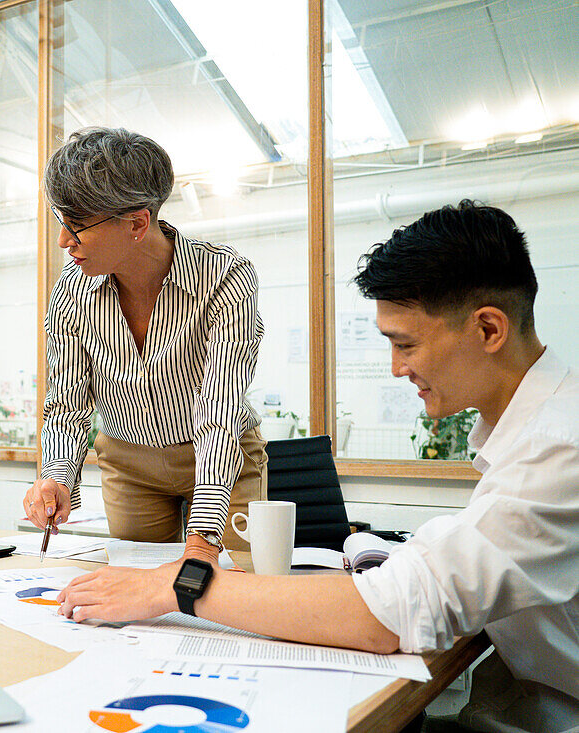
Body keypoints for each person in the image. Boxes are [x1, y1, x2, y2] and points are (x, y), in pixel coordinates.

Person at [56, 200, 579, 732]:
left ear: (489, 330)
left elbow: (392, 615)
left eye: (406, 344)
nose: (397, 369)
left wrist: (182, 586)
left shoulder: (558, 447)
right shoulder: (536, 429)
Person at [23, 127, 267, 563]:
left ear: (137, 222)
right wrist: (57, 476)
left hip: (222, 458)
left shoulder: (225, 278)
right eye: (62, 223)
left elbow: (221, 410)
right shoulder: (70, 292)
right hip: (130, 464)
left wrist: (204, 534)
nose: (64, 241)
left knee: (229, 586)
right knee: (139, 595)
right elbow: (67, 404)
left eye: (77, 226)